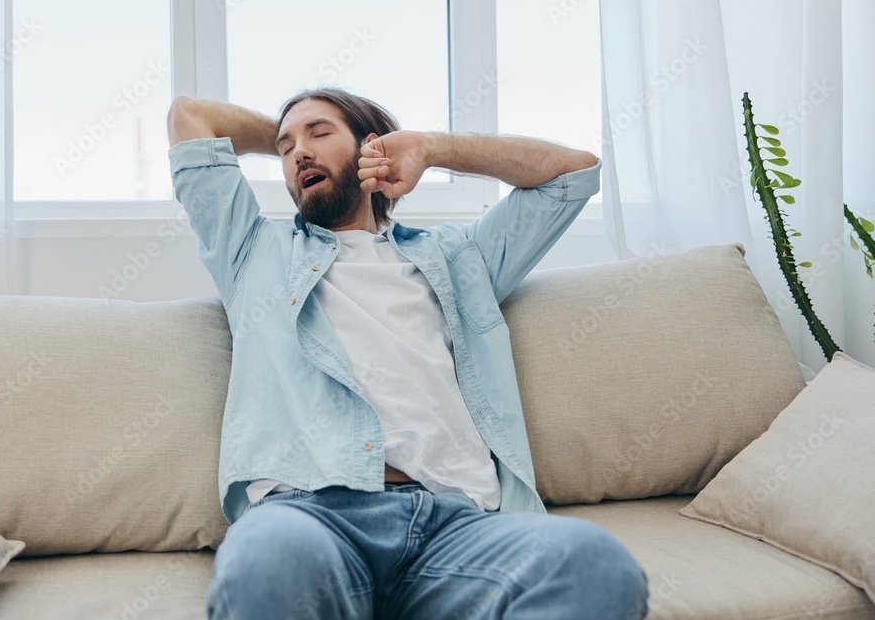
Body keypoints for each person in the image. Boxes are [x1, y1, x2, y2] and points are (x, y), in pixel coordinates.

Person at [166, 87, 648, 620]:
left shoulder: (457, 258)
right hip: (309, 517)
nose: (298, 152)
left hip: (455, 526)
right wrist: (300, 137)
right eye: (285, 148)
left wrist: (431, 148)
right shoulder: (251, 251)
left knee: (595, 564)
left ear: (373, 146)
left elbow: (573, 175)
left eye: (320, 133)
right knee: (266, 562)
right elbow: (192, 116)